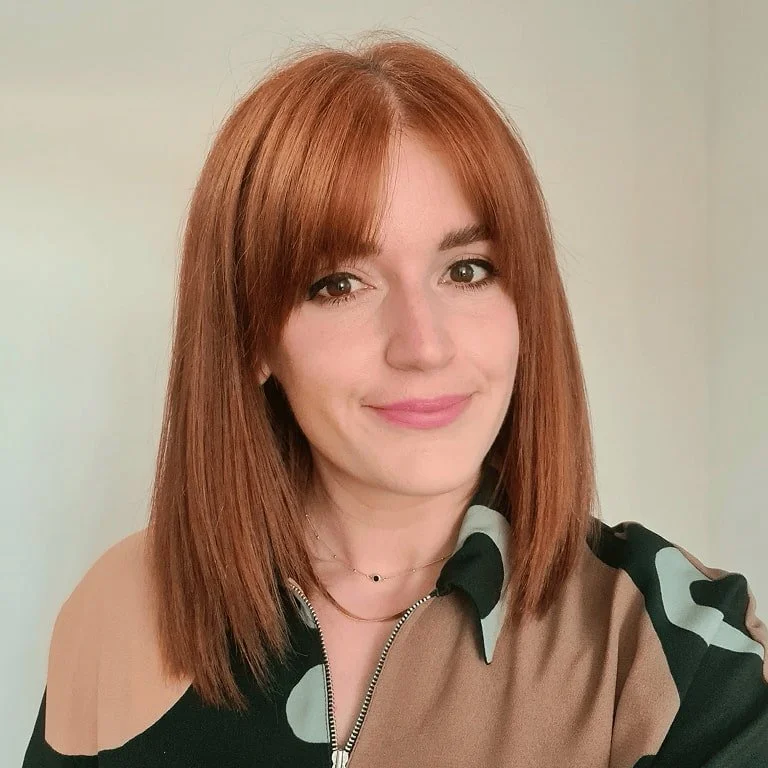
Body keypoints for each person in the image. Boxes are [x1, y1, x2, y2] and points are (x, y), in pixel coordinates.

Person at [22, 33, 768, 768]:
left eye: (467, 271)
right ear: (250, 338)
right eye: (340, 284)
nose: (423, 344)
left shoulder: (678, 648)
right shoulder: (122, 608)